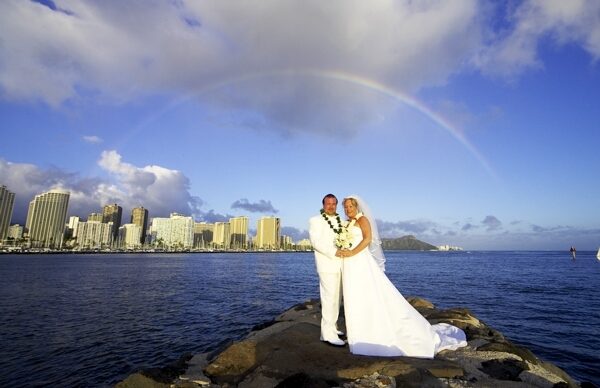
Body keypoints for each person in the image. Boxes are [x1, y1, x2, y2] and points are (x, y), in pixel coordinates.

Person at [335, 195, 467, 357]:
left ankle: (369, 332)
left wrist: (352, 252)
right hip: (349, 264)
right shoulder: (348, 223)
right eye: (346, 207)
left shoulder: (363, 220)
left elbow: (368, 239)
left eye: (350, 206)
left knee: (368, 293)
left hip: (360, 261)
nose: (348, 210)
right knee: (354, 296)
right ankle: (358, 330)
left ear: (357, 207)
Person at [308, 193, 345, 346]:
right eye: (328, 204)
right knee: (329, 299)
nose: (331, 206)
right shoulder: (315, 220)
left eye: (334, 204)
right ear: (323, 205)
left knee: (337, 298)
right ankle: (327, 334)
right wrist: (334, 252)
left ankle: (333, 327)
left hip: (341, 265)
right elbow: (315, 242)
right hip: (326, 264)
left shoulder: (341, 222)